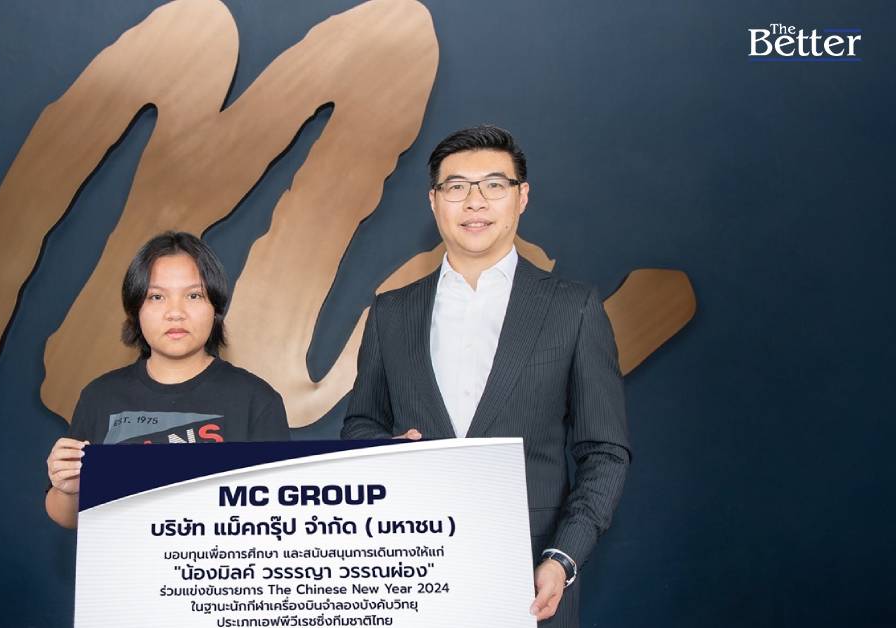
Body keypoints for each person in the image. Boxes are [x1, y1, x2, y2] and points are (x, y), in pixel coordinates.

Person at [340, 126, 630, 626]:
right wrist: (389, 450)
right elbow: (360, 424)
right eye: (457, 186)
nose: (475, 201)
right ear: (434, 201)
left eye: (494, 185)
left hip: (532, 578)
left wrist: (563, 558)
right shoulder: (391, 312)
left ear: (522, 197)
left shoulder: (573, 308)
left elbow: (604, 451)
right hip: (414, 573)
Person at [45, 231, 290, 529]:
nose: (175, 313)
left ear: (215, 308)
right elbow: (68, 518)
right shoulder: (100, 396)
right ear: (135, 309)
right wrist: (67, 489)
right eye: (156, 297)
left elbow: (276, 516)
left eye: (194, 295)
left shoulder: (256, 400)